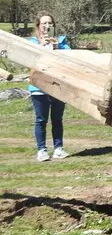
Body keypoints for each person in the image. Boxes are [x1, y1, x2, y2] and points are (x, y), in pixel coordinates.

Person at [27, 12, 70, 162]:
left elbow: (70, 58)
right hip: (38, 88)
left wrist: (57, 46)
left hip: (58, 86)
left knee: (57, 119)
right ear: (38, 26)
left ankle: (58, 148)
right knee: (41, 120)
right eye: (44, 23)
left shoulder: (61, 41)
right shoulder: (32, 42)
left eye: (50, 23)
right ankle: (42, 150)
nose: (47, 26)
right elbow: (29, 60)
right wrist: (41, 47)